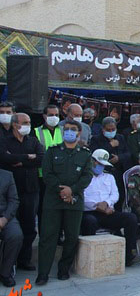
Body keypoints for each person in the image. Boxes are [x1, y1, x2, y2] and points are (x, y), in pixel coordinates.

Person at [36, 120, 92, 285]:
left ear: (79, 133)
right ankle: (43, 273)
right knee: (48, 237)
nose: (69, 132)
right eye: (66, 129)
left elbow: (87, 176)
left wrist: (71, 190)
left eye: (72, 129)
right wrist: (62, 191)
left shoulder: (85, 154)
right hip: (53, 201)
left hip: (74, 201)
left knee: (71, 237)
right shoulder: (52, 151)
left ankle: (63, 269)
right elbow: (47, 174)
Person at [0, 113, 44, 271]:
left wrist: (20, 160)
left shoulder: (33, 141)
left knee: (29, 226)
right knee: (13, 226)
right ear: (15, 124)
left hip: (31, 189)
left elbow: (42, 158)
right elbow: (5, 158)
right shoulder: (5, 141)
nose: (28, 125)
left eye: (29, 122)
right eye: (25, 122)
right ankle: (10, 261)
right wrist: (28, 157)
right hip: (11, 192)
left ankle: (24, 260)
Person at [81, 149, 139, 266]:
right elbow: (82, 197)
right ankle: (92, 258)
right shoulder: (83, 177)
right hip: (91, 212)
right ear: (92, 161)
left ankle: (129, 254)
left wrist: (106, 203)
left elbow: (115, 195)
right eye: (99, 163)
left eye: (103, 164)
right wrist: (97, 206)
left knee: (131, 218)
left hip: (108, 212)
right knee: (89, 222)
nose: (101, 167)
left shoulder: (109, 177)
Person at [90, 117, 131, 210]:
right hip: (104, 172)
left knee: (119, 196)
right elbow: (94, 154)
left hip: (119, 172)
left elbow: (128, 154)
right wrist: (110, 145)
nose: (111, 131)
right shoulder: (96, 139)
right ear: (103, 129)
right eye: (108, 130)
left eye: (113, 129)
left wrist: (119, 158)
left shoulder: (120, 138)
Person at [34, 105, 63, 233]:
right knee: (43, 208)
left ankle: (58, 236)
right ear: (44, 116)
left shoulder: (64, 130)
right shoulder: (36, 131)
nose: (54, 117)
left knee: (59, 208)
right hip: (42, 176)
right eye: (51, 115)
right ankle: (43, 235)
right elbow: (36, 154)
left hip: (61, 176)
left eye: (56, 115)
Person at [0, 168, 21, 286]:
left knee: (15, 235)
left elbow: (14, 200)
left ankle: (5, 273)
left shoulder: (7, 176)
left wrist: (4, 219)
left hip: (5, 216)